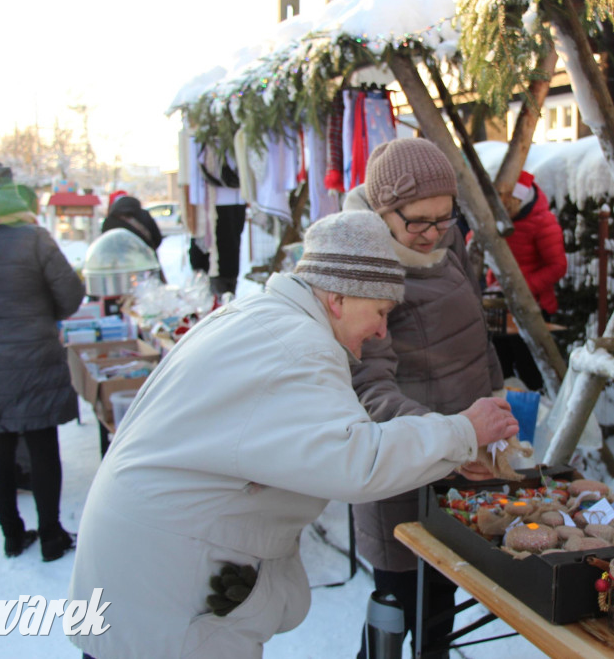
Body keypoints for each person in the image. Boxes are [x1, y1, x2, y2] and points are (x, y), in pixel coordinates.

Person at [67, 210, 518, 659]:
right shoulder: (299, 346)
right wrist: (463, 430)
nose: (383, 330)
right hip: (165, 588)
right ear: (338, 298)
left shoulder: (264, 317)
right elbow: (356, 461)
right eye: (380, 311)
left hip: (144, 568)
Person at [343, 138, 505, 658]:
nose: (433, 233)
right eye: (417, 221)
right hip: (400, 472)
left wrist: (497, 405)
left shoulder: (442, 243)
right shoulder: (366, 272)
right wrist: (459, 438)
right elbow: (370, 391)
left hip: (461, 465)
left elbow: (475, 336)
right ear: (382, 211)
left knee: (440, 608)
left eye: (444, 218)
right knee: (397, 611)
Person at [0, 161, 85, 559]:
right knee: (43, 446)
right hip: (35, 360)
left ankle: (12, 535)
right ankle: (50, 536)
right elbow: (71, 297)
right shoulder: (33, 238)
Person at [485, 170, 568, 391]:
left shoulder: (543, 222)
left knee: (530, 369)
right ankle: (506, 415)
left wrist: (522, 288)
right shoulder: (496, 219)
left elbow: (558, 266)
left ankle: (535, 414)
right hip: (498, 305)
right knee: (499, 366)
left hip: (532, 306)